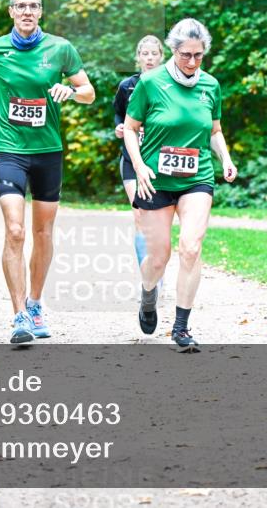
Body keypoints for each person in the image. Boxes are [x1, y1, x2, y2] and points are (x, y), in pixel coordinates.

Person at [0, 0, 95, 344]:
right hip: (9, 148)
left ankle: (36, 303)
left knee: (42, 232)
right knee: (16, 230)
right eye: (20, 6)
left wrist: (72, 91)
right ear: (10, 12)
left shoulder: (60, 49)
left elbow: (89, 92)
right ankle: (18, 314)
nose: (27, 11)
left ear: (41, 11)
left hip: (48, 150)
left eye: (33, 5)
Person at [123, 18, 237, 352]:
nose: (191, 61)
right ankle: (148, 294)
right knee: (158, 257)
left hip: (197, 177)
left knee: (191, 246)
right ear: (173, 50)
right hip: (156, 179)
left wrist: (225, 159)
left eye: (198, 55)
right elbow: (130, 128)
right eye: (186, 54)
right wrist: (140, 166)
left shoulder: (210, 86)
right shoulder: (151, 83)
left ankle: (182, 327)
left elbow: (214, 130)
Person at [112, 35, 164, 332]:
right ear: (138, 57)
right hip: (132, 160)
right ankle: (149, 279)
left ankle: (156, 265)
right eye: (143, 53)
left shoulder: (169, 84)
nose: (148, 58)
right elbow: (119, 114)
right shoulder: (127, 86)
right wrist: (120, 128)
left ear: (161, 56)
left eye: (153, 53)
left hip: (159, 162)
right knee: (140, 215)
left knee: (159, 222)